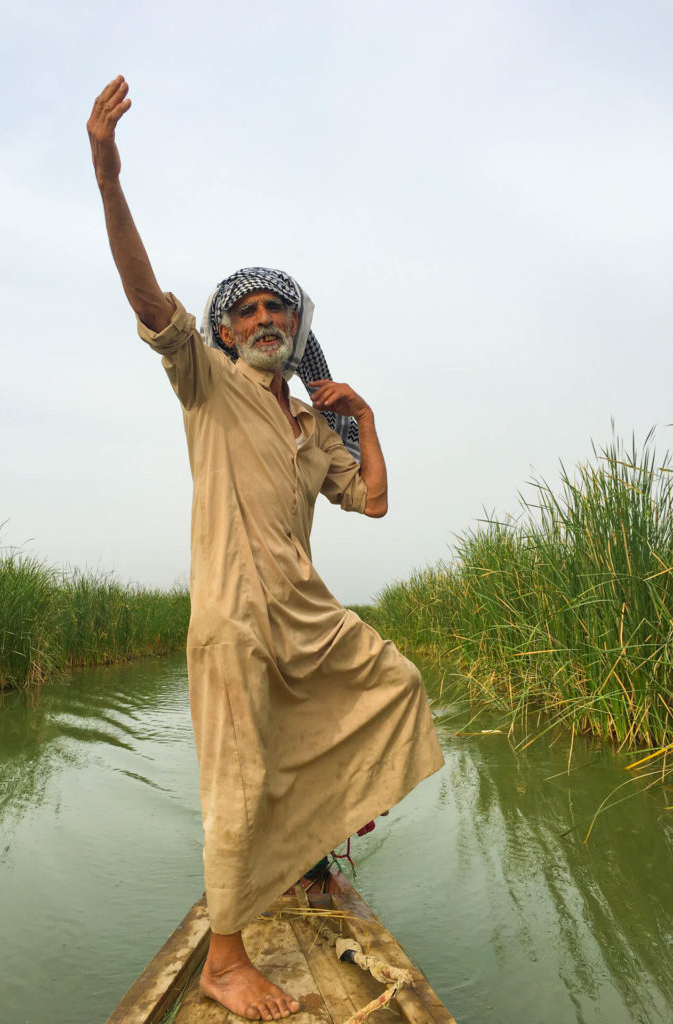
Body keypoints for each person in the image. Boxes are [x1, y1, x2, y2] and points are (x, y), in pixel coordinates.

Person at [87, 75, 444, 1022]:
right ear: (220, 332)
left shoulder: (310, 427)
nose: (259, 319)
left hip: (309, 617)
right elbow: (141, 289)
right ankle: (225, 961)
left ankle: (314, 833)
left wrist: (361, 412)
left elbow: (370, 501)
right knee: (239, 781)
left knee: (398, 684)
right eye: (242, 311)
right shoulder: (205, 383)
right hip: (237, 615)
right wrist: (107, 171)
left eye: (273, 312)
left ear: (296, 334)